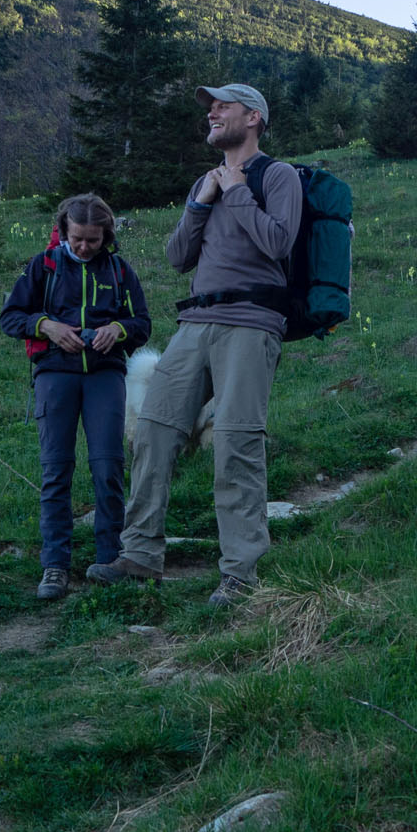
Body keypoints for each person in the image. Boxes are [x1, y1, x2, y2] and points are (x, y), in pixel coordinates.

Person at [87, 84, 301, 605]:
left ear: (253, 118)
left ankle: (241, 572)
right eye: (211, 106)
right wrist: (201, 200)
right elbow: (178, 256)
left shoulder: (279, 176)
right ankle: (139, 555)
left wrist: (235, 191)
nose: (211, 111)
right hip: (196, 323)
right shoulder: (205, 183)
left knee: (236, 442)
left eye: (222, 106)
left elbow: (278, 242)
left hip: (251, 324)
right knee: (155, 432)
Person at [0, 193, 151, 600]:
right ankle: (55, 566)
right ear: (63, 230)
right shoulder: (44, 265)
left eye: (93, 240)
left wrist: (117, 330)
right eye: (77, 239)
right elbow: (11, 316)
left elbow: (142, 323)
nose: (84, 247)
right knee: (55, 472)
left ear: (107, 237)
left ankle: (111, 559)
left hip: (105, 376)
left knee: (108, 469)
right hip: (54, 375)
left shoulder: (119, 269)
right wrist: (47, 326)